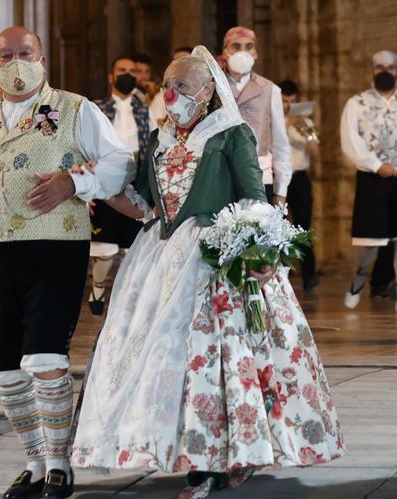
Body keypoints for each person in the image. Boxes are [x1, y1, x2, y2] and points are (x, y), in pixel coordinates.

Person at [71, 47, 344, 497]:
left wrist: (259, 252)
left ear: (207, 90)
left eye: (181, 86)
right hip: (159, 257)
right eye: (166, 85)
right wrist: (91, 183)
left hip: (216, 254)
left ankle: (215, 460)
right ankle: (177, 447)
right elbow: (144, 204)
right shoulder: (160, 139)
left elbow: (254, 195)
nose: (171, 94)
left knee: (215, 359)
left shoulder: (231, 132)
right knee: (159, 356)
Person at [0, 27, 133, 499]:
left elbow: (120, 162)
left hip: (57, 248)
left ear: (42, 58)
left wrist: (74, 181)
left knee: (44, 357)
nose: (18, 61)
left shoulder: (76, 109)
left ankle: (60, 463)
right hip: (0, 252)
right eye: (8, 55)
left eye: (26, 53)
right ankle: (35, 463)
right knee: (4, 367)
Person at [340, 51, 397, 313]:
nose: (385, 71)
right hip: (372, 179)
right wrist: (376, 165)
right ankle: (358, 281)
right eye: (379, 67)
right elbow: (350, 140)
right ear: (372, 71)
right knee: (369, 242)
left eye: (390, 67)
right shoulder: (357, 103)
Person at [86, 55, 151, 315]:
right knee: (106, 247)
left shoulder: (144, 110)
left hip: (135, 178)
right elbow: (86, 146)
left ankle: (125, 295)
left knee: (130, 247)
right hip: (105, 178)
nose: (127, 75)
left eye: (132, 71)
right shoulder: (96, 108)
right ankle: (98, 289)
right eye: (122, 70)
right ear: (111, 77)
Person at [215, 27, 291, 206]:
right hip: (219, 174)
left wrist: (281, 191)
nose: (242, 51)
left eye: (248, 46)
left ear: (255, 53)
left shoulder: (270, 89)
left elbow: (280, 144)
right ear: (225, 52)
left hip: (259, 176)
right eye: (235, 46)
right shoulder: (213, 87)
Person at [280, 79, 320, 292]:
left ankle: (309, 274)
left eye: (292, 101)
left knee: (302, 227)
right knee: (278, 227)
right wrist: (285, 124)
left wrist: (306, 130)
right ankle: (282, 274)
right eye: (285, 101)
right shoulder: (274, 119)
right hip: (279, 178)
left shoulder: (305, 123)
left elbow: (315, 153)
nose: (289, 105)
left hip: (299, 178)